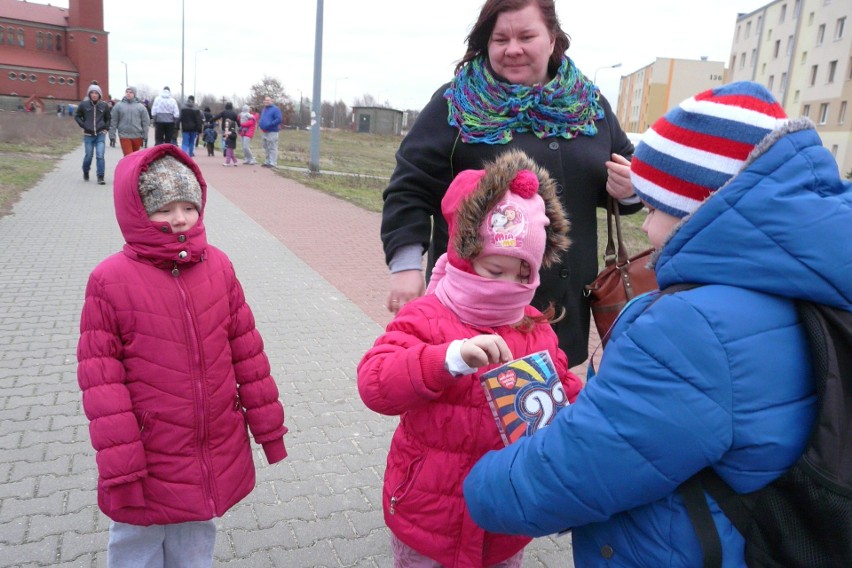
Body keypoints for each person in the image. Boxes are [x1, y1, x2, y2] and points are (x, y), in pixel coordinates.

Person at [462, 82, 852, 566]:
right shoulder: (808, 278)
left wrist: (480, 486)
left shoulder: (692, 328)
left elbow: (582, 466)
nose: (645, 228)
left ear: (697, 205)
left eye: (652, 207)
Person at [381, 0, 640, 367]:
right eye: (500, 38)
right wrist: (406, 264)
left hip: (562, 310)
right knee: (470, 412)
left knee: (551, 412)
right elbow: (410, 187)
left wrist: (630, 189)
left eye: (526, 36)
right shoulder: (455, 104)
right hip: (474, 312)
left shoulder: (589, 105)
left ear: (553, 39)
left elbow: (623, 179)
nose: (512, 48)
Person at [358, 150, 584, 567]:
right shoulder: (428, 316)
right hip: (429, 515)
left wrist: (589, 413)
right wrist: (445, 360)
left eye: (523, 275)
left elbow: (564, 394)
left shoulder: (534, 327)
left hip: (503, 517)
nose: (508, 287)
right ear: (465, 258)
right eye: (495, 271)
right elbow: (375, 383)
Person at [76, 144, 289, 567]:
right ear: (136, 211)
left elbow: (246, 350)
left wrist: (269, 430)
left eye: (188, 206)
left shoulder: (220, 267)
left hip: (210, 445)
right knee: (136, 542)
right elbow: (101, 381)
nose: (178, 218)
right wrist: (122, 465)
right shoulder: (108, 281)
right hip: (147, 451)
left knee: (196, 535)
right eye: (163, 208)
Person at [74, 82, 111, 185]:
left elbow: (108, 118)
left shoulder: (104, 105)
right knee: (88, 156)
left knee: (100, 155)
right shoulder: (83, 105)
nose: (94, 95)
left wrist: (106, 128)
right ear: (89, 94)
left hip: (100, 134)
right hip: (88, 135)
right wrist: (83, 125)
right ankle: (85, 170)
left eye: (96, 93)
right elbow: (77, 116)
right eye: (92, 93)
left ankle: (100, 176)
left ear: (99, 94)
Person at [109, 86, 151, 156]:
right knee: (128, 156)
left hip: (137, 136)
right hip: (124, 135)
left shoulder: (141, 107)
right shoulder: (118, 106)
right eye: (127, 92)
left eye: (131, 92)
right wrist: (112, 135)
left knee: (134, 157)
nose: (128, 94)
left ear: (134, 94)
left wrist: (145, 135)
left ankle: (130, 167)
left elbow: (145, 122)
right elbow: (113, 121)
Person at [258, 96, 282, 168]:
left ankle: (273, 162)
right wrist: (260, 124)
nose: (267, 101)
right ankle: (267, 161)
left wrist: (271, 124)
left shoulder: (275, 109)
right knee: (266, 146)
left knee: (272, 146)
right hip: (264, 131)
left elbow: (279, 119)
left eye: (268, 100)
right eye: (265, 100)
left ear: (271, 101)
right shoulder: (264, 110)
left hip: (272, 131)